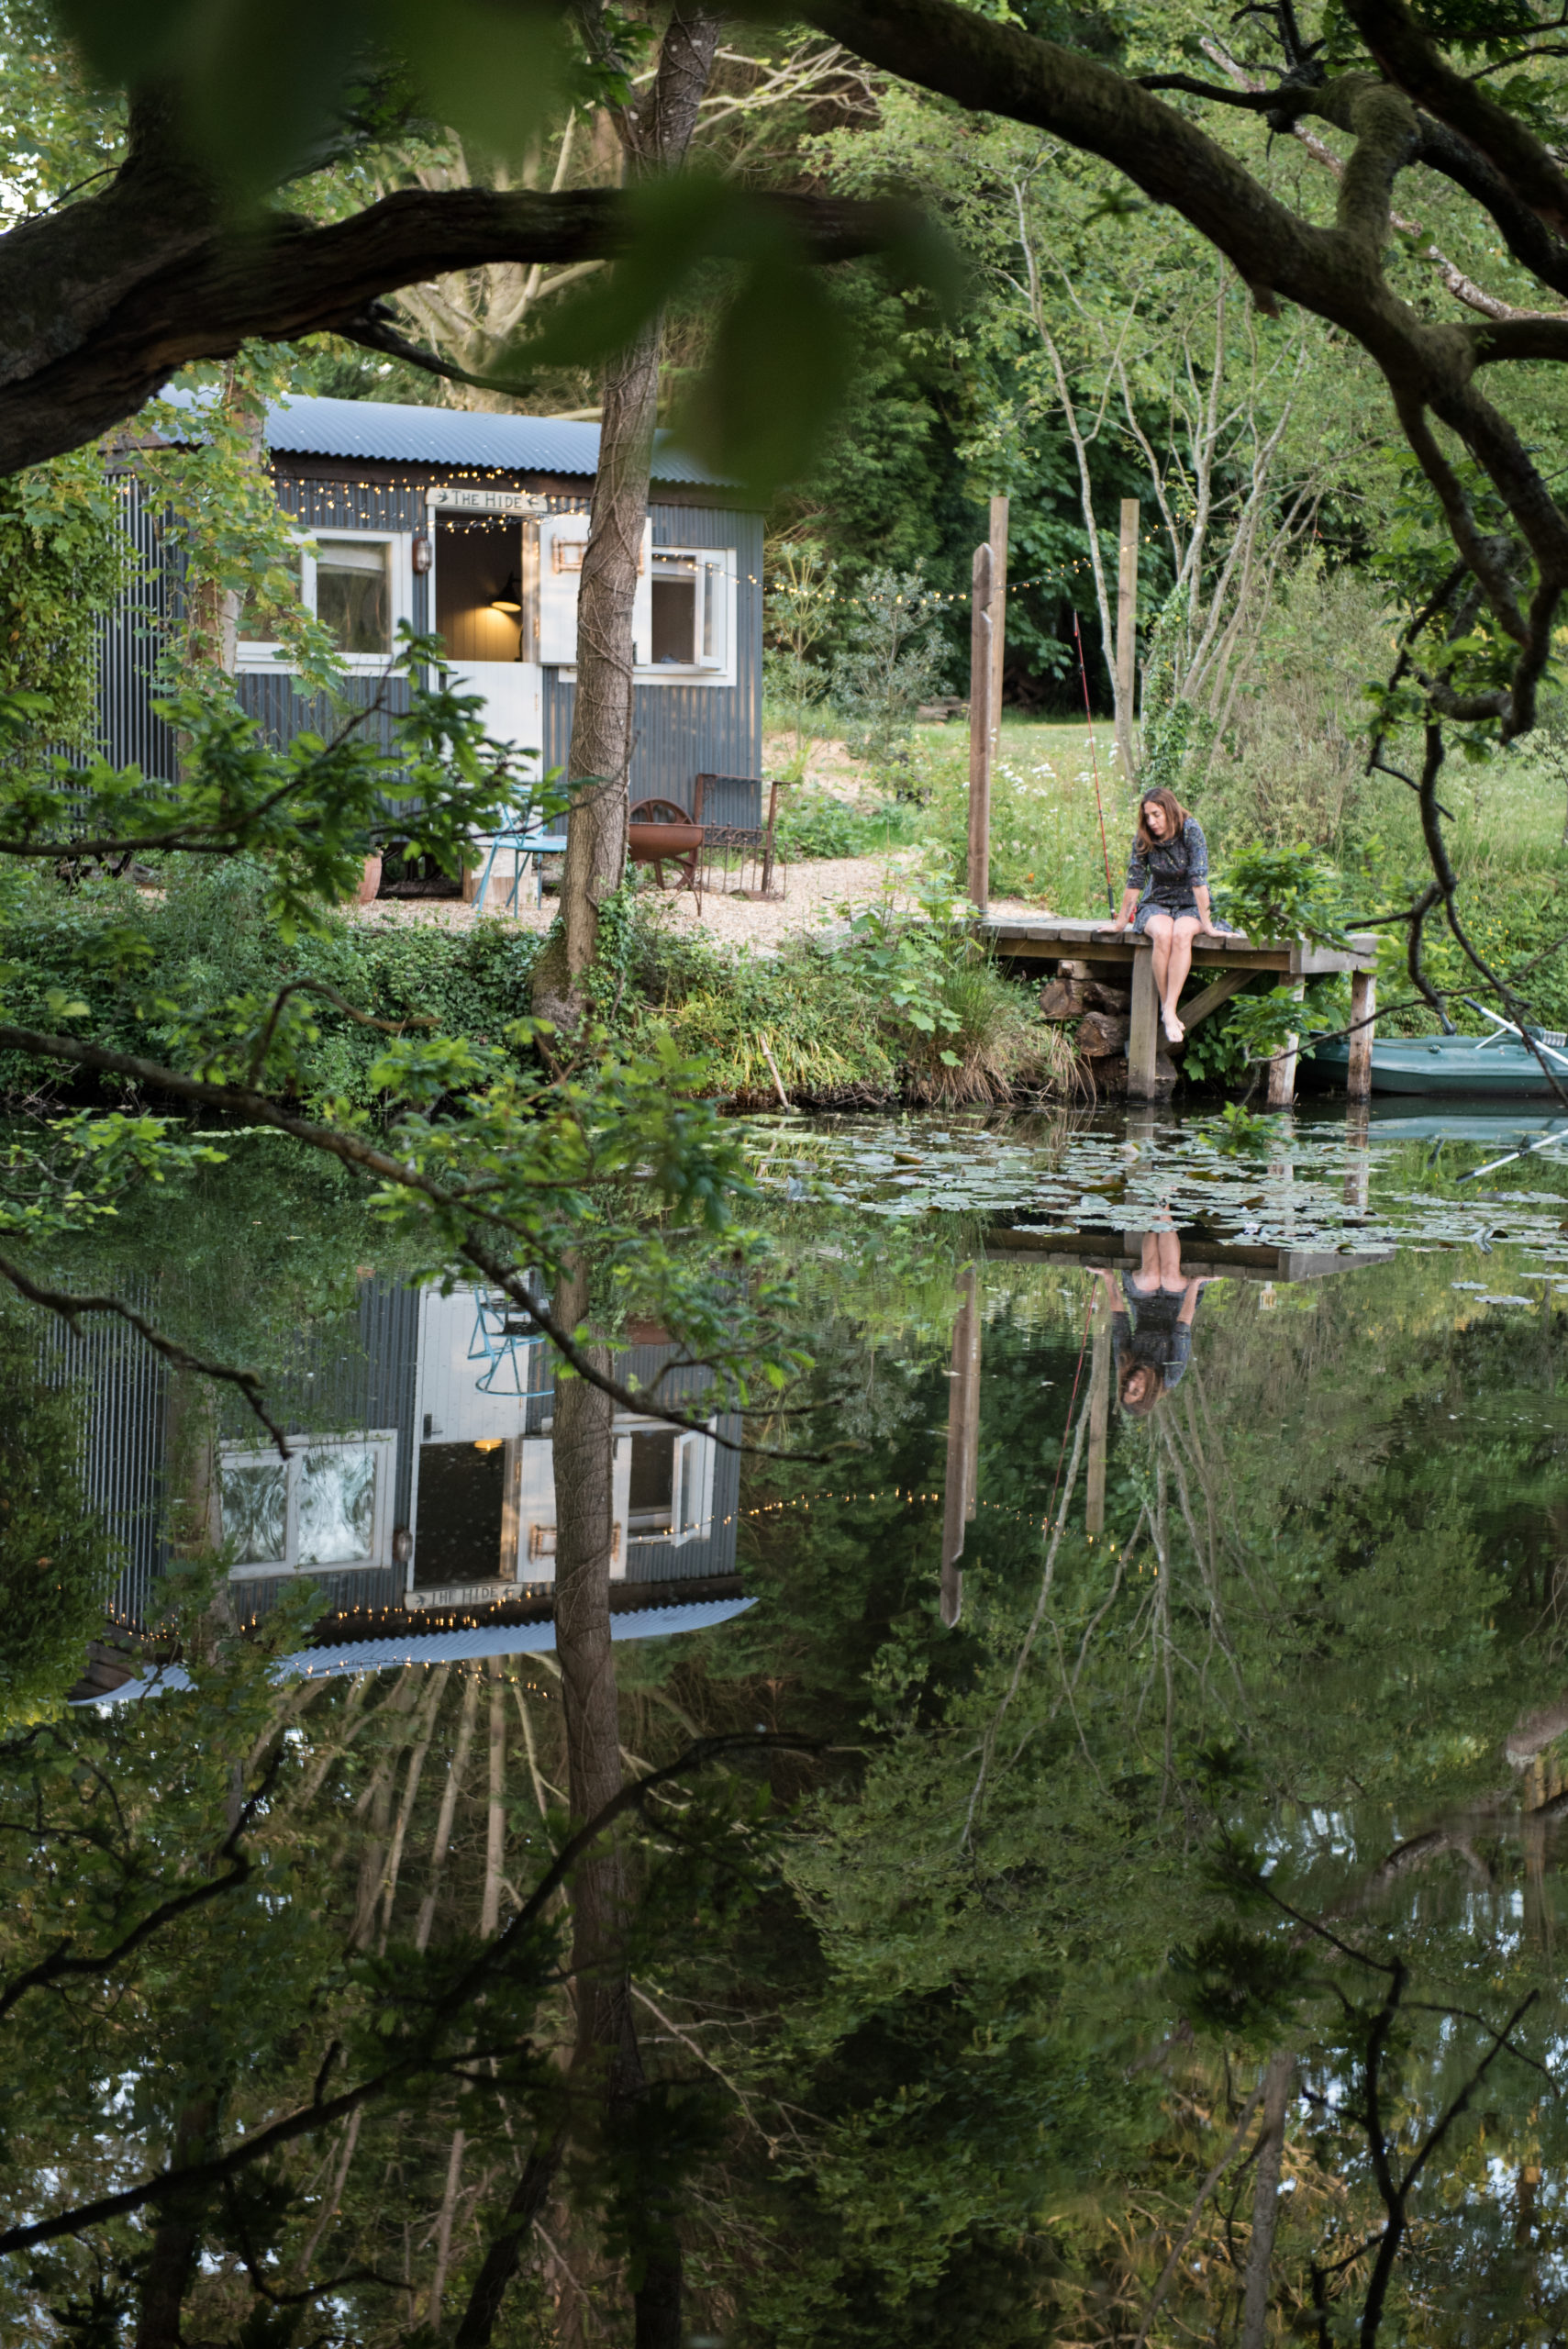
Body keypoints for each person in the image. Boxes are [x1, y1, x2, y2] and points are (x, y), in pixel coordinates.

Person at [1104, 785, 1223, 1045]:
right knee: (1162, 932)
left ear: (1169, 810)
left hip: (1190, 902)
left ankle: (1169, 1009)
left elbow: (1199, 879)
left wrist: (1209, 925)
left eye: (1156, 814)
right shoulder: (1144, 836)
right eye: (1147, 816)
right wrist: (1120, 923)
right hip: (1157, 900)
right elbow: (1135, 880)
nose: (1151, 821)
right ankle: (1168, 1010)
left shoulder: (1190, 830)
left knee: (1181, 933)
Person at [1095, 1235, 1217, 1417]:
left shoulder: (1125, 1363)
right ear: (1148, 1395)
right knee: (1170, 1277)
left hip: (1142, 1300)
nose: (1132, 1383)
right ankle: (1163, 1210)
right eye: (1135, 1390)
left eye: (1127, 1387)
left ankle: (1155, 1215)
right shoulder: (1170, 1376)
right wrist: (1195, 1283)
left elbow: (1120, 1320)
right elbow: (1182, 1328)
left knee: (1151, 1276)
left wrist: (1107, 1276)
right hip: (1179, 1302)